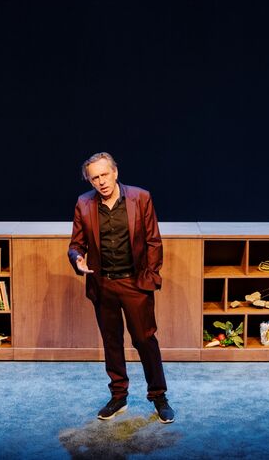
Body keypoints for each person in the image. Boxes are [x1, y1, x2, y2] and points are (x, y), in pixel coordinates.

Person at [67, 152, 174, 424]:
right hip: (103, 284)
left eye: (104, 175)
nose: (101, 182)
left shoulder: (140, 197)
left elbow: (153, 241)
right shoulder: (84, 203)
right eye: (95, 178)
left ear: (115, 172)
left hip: (134, 282)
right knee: (111, 341)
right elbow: (76, 244)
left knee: (145, 340)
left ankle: (159, 396)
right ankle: (118, 396)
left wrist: (149, 278)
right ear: (90, 181)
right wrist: (77, 258)